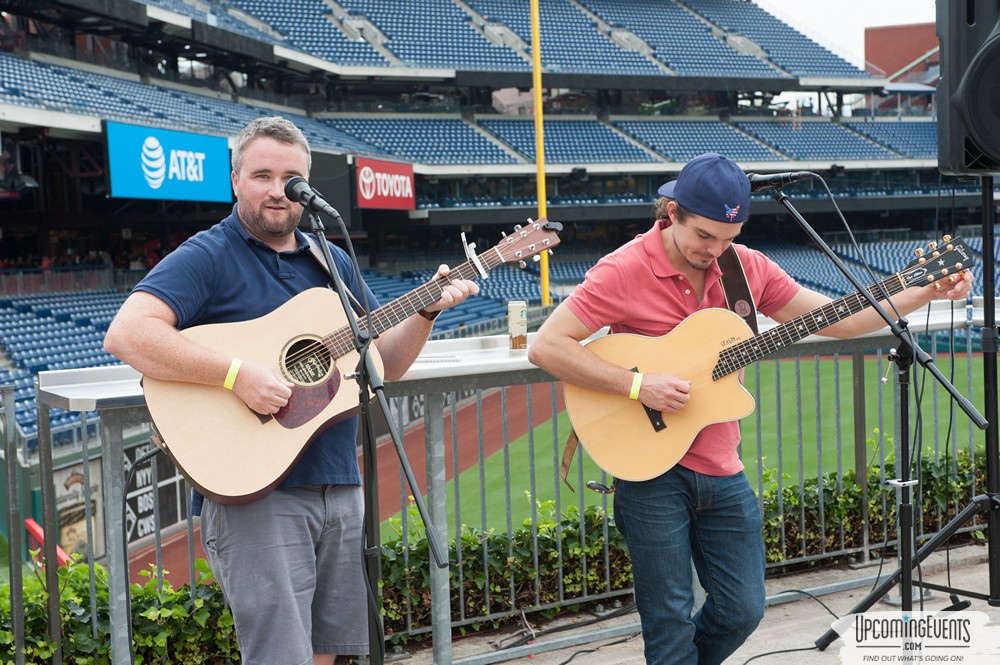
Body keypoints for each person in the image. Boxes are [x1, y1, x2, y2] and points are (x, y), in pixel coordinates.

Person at [527, 152, 973, 665]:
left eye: (729, 238)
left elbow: (835, 319)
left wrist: (922, 289)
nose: (715, 250)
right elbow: (547, 347)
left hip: (720, 464)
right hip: (649, 469)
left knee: (743, 608)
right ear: (671, 214)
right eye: (704, 236)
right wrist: (637, 385)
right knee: (669, 616)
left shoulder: (745, 267)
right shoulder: (625, 268)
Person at [103, 115, 479, 665]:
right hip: (257, 495)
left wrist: (425, 309)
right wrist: (236, 375)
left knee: (330, 652)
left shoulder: (331, 258)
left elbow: (384, 365)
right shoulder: (209, 254)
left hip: (337, 482)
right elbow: (128, 334)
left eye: (292, 178)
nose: (278, 191)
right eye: (262, 175)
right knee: (280, 655)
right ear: (235, 181)